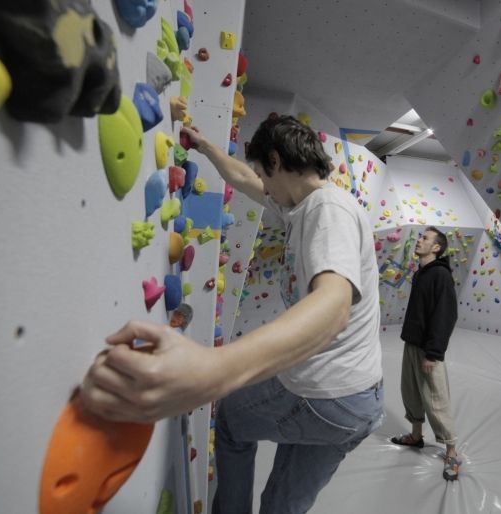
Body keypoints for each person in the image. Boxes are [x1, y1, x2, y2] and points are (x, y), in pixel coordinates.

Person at [80, 115, 384, 514]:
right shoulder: (300, 205)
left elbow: (334, 306)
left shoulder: (326, 210)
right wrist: (205, 146)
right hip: (358, 403)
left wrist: (215, 369)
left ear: (276, 161)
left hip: (327, 393)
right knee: (282, 506)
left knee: (231, 419)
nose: (264, 186)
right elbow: (243, 179)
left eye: (264, 173)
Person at [390, 227, 461, 481]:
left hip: (427, 349)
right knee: (411, 392)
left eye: (425, 238)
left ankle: (451, 451)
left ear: (436, 247)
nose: (419, 240)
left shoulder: (441, 275)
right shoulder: (422, 272)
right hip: (412, 343)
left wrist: (433, 353)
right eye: (420, 237)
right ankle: (416, 435)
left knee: (435, 399)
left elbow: (446, 315)